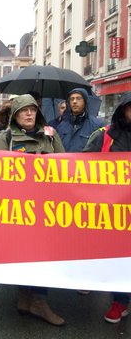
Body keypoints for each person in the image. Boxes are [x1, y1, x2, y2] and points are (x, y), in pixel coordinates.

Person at [0, 94, 65, 326]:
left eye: (33, 110)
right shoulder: (5, 137)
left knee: (43, 253)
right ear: (15, 115)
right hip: (17, 207)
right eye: (24, 110)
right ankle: (24, 295)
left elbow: (67, 165)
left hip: (46, 207)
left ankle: (39, 300)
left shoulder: (50, 136)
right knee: (22, 252)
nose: (29, 114)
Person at [83, 91, 131, 323]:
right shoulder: (105, 135)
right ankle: (119, 299)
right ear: (123, 110)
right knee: (114, 254)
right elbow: (82, 165)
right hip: (110, 208)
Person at [57, 88, 104, 152]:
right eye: (72, 99)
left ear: (85, 101)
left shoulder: (97, 125)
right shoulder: (61, 127)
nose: (74, 102)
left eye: (78, 98)